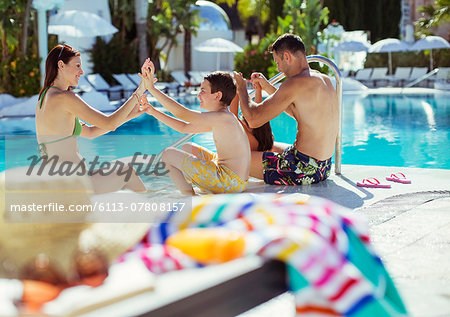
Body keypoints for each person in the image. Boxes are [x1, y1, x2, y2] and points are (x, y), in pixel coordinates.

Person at [35, 44, 148, 194]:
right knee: (128, 173)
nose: (81, 72)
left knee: (119, 170)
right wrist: (139, 91)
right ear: (61, 65)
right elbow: (110, 123)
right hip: (75, 185)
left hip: (62, 185)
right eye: (77, 66)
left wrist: (130, 115)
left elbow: (90, 132)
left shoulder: (43, 99)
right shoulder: (65, 98)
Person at [234, 34, 339, 186]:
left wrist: (242, 88)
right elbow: (295, 111)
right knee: (271, 147)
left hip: (301, 170)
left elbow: (253, 120)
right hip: (323, 167)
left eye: (278, 62)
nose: (278, 68)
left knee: (236, 158)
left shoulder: (295, 83)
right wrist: (267, 87)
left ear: (287, 56)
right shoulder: (324, 80)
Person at [138, 58, 250, 195]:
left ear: (217, 96)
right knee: (187, 147)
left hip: (229, 182)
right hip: (236, 181)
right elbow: (184, 127)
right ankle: (195, 183)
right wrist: (152, 111)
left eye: (203, 91)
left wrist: (151, 89)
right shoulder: (222, 117)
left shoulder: (222, 118)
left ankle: (189, 196)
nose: (198, 95)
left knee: (168, 154)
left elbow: (182, 113)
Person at [229, 82, 274, 152]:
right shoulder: (265, 137)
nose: (241, 121)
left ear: (251, 126)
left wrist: (238, 88)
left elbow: (233, 116)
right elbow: (258, 112)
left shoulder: (253, 141)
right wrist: (258, 90)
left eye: (243, 119)